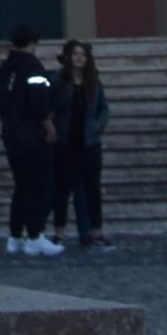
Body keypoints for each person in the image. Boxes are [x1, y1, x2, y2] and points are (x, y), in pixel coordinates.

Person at [0, 23, 60, 256]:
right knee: (38, 186)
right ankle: (34, 235)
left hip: (10, 134)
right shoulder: (33, 66)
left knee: (20, 186)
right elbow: (39, 102)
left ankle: (15, 236)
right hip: (31, 134)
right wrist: (48, 126)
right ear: (33, 42)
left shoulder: (5, 67)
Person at [53, 40, 107, 249]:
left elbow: (104, 108)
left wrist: (99, 125)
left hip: (89, 142)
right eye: (75, 54)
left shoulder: (94, 82)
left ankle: (96, 231)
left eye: (83, 55)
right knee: (63, 189)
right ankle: (59, 231)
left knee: (92, 188)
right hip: (65, 142)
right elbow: (52, 107)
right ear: (68, 57)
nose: (79, 58)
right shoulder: (59, 81)